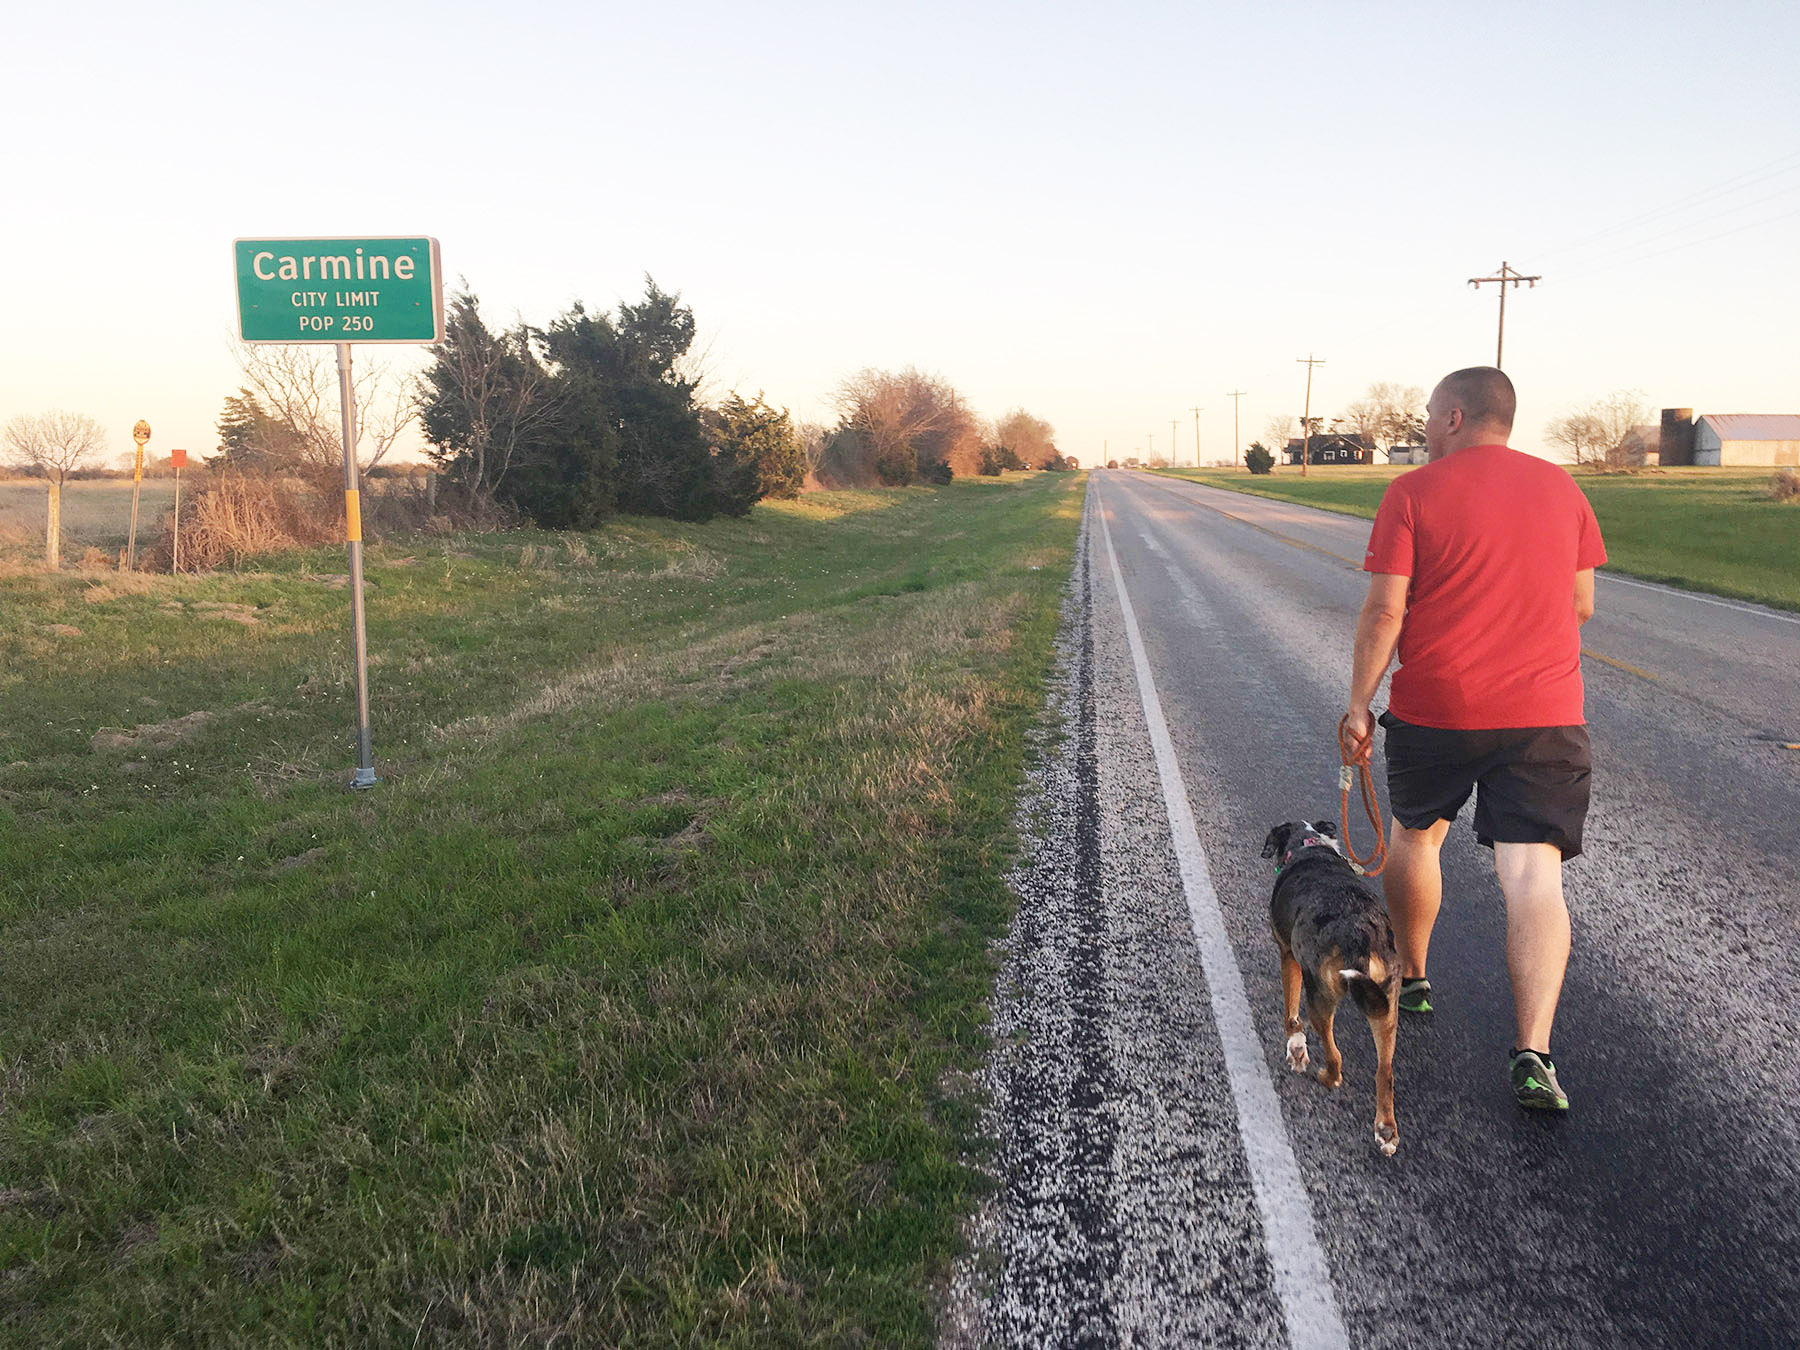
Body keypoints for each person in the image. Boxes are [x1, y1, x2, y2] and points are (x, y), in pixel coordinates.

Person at [1343, 366, 1606, 1112]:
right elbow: (1581, 603)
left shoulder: (1413, 494)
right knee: (1532, 879)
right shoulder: (1563, 490)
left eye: (1429, 415)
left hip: (1439, 709)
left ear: (1455, 417)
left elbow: (1383, 613)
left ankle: (1415, 977)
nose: (1424, 427)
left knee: (1416, 838)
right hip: (1545, 713)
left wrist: (1359, 705)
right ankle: (1534, 1054)